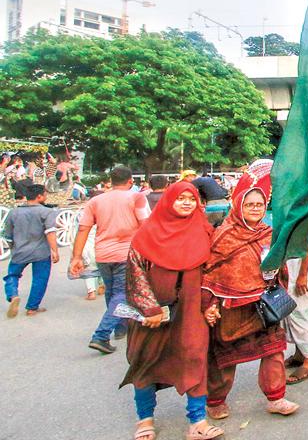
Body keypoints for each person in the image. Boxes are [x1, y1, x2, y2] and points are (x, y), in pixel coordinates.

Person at [120, 181, 223, 440]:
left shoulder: (204, 231)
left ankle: (197, 423)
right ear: (169, 201)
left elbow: (212, 273)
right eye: (181, 198)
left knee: (194, 358)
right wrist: (149, 308)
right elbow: (135, 273)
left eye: (192, 198)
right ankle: (145, 420)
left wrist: (211, 305)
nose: (187, 202)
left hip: (191, 311)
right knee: (145, 361)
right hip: (153, 314)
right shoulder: (147, 234)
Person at [201, 166, 299, 419]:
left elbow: (281, 266)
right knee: (225, 358)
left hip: (265, 307)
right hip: (232, 309)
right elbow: (210, 273)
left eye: (259, 204)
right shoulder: (223, 236)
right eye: (250, 204)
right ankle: (216, 402)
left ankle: (276, 398)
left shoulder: (269, 234)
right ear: (237, 205)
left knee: (274, 351)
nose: (255, 208)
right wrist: (209, 303)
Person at [70, 165, 151, 354]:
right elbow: (146, 226)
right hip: (127, 254)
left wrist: (76, 257)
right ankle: (101, 334)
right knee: (122, 293)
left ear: (111, 181)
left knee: (112, 292)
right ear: (131, 181)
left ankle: (120, 327)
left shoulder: (96, 201)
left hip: (103, 254)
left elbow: (83, 229)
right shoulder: (136, 197)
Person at [3, 184, 58, 318]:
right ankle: (32, 308)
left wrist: (13, 249)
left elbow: (8, 236)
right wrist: (55, 251)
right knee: (40, 279)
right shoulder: (47, 212)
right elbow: (50, 233)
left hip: (19, 252)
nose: (46, 196)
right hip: (41, 253)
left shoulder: (13, 212)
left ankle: (13, 295)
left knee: (12, 275)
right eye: (45, 194)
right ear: (39, 196)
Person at [284, 239, 308, 385]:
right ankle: (300, 354)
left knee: (303, 318)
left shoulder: (299, 215)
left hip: (297, 276)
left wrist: (302, 275)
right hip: (287, 275)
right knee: (291, 318)